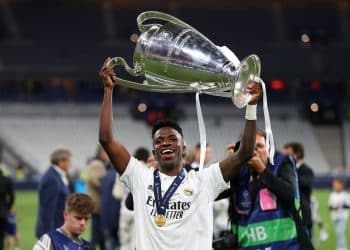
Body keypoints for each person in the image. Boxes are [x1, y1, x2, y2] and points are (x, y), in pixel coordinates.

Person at [98, 58, 262, 250]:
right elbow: (106, 140)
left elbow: (245, 153)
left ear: (184, 149)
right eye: (159, 141)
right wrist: (108, 91)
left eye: (172, 139)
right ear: (154, 152)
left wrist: (251, 107)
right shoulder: (140, 177)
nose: (165, 143)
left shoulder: (204, 180)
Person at [226, 130, 314, 250]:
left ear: (269, 150)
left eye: (260, 146)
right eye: (250, 146)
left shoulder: (281, 164)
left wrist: (262, 170)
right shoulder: (240, 172)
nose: (254, 151)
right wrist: (229, 165)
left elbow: (289, 193)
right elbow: (216, 194)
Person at [35, 147, 72, 239]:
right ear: (61, 162)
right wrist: (48, 235)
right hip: (53, 231)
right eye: (69, 161)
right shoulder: (52, 179)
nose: (71, 164)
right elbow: (47, 210)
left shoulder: (56, 176)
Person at [283, 142, 315, 238]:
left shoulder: (307, 171)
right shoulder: (284, 171)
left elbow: (304, 183)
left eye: (288, 155)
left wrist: (290, 176)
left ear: (298, 154)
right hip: (289, 217)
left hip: (304, 216)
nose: (284, 158)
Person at [85, 146, 108, 250]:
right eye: (105, 152)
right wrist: (105, 185)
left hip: (95, 203)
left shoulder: (97, 163)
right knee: (96, 232)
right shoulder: (97, 164)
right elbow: (93, 179)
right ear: (101, 153)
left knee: (100, 232)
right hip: (97, 203)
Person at [328, 177, 350, 250]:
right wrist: (334, 207)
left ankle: (342, 248)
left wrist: (341, 206)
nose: (335, 185)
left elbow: (348, 205)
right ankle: (340, 247)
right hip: (334, 217)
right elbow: (330, 206)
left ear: (341, 185)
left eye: (336, 184)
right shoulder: (332, 195)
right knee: (338, 233)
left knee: (340, 232)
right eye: (334, 184)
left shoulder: (345, 195)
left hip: (342, 217)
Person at [0, 167, 14, 250]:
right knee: (1, 237)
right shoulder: (7, 180)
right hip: (2, 212)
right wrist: (7, 208)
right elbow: (12, 197)